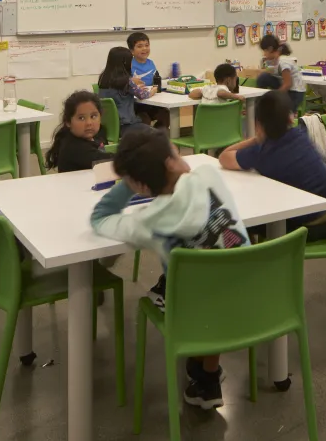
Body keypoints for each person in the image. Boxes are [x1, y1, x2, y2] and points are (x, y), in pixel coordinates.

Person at [90, 126, 249, 410]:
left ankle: (205, 375)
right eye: (176, 151)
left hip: (195, 315)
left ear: (141, 184)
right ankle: (207, 374)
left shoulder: (148, 221)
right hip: (252, 301)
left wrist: (130, 182)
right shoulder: (210, 176)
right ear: (171, 162)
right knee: (216, 274)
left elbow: (100, 219)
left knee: (163, 291)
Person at [219, 91, 326, 292]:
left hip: (313, 224)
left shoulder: (263, 152)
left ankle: (250, 278)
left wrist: (256, 139)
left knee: (238, 222)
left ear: (259, 124)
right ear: (291, 117)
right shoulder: (298, 135)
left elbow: (224, 157)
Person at [44, 91, 112, 173]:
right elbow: (106, 161)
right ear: (68, 122)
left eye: (93, 116)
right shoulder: (73, 146)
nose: (89, 123)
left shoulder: (99, 134)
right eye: (81, 118)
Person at [97, 46, 153, 135]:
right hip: (126, 125)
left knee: (143, 116)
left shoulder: (103, 78)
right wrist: (152, 91)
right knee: (149, 120)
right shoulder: (127, 82)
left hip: (109, 126)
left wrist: (133, 83)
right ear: (126, 63)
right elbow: (143, 95)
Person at [250, 34, 306, 110]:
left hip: (295, 92)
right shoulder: (275, 60)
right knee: (263, 77)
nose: (264, 54)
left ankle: (264, 107)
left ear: (270, 49)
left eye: (264, 51)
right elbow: (274, 73)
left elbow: (288, 84)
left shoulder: (283, 61)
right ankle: (260, 105)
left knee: (279, 112)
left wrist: (274, 96)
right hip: (287, 89)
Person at [127, 32, 169, 130]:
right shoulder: (129, 64)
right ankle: (146, 139)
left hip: (152, 101)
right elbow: (125, 83)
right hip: (137, 103)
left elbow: (156, 80)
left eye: (147, 45)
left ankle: (157, 136)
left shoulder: (151, 63)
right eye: (140, 46)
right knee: (143, 118)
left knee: (165, 114)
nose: (144, 48)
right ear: (132, 51)